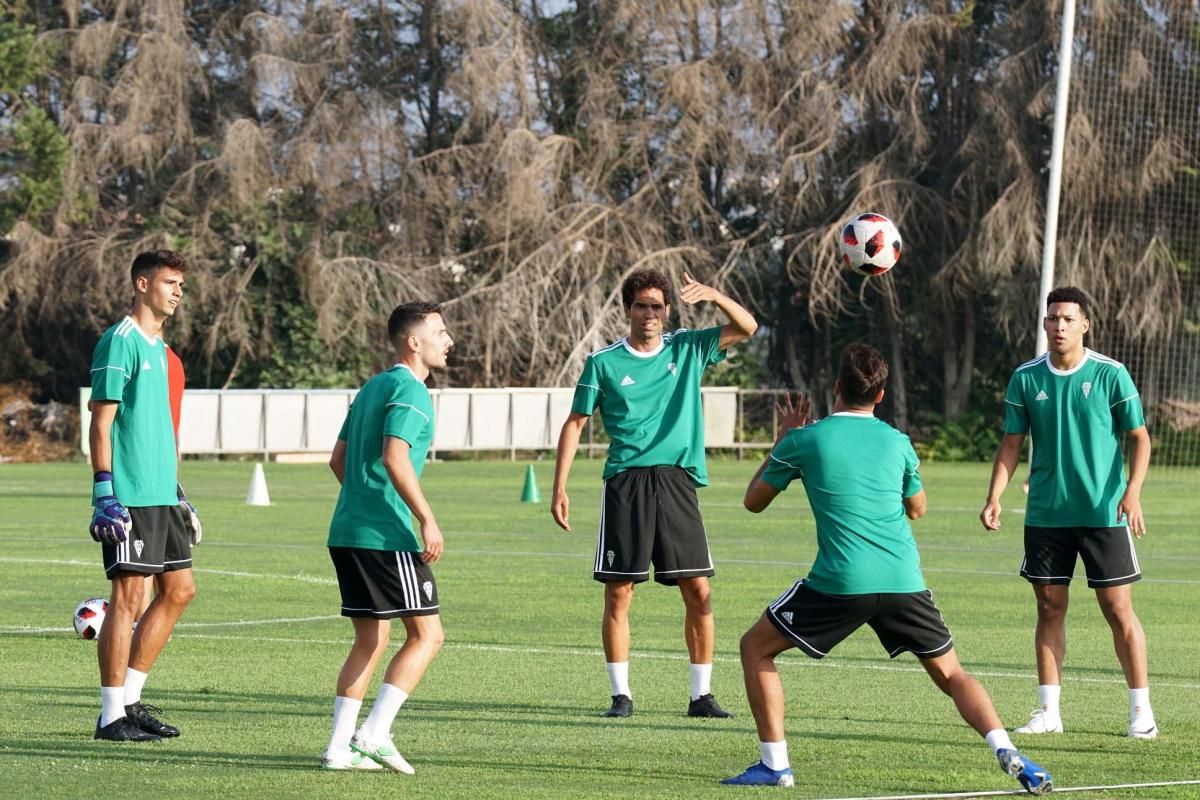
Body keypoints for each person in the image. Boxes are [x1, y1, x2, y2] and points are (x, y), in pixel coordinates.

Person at [722, 344, 1051, 795]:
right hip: (903, 580)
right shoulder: (898, 443)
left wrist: (784, 440)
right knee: (952, 674)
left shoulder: (805, 439)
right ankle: (1005, 747)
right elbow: (917, 509)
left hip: (841, 582)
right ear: (881, 395)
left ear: (836, 387)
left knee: (755, 648)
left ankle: (775, 765)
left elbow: (753, 502)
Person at [551, 269, 757, 718]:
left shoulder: (687, 348)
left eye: (657, 306)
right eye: (641, 305)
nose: (649, 313)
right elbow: (576, 422)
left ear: (667, 311)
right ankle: (620, 696)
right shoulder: (603, 363)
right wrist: (559, 486)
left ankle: (701, 696)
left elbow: (747, 328)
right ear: (628, 309)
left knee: (698, 591)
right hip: (626, 482)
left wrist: (716, 294)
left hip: (677, 481)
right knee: (619, 593)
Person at [981, 286, 1156, 739]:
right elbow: (1011, 444)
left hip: (1103, 514)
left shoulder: (1110, 374)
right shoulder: (1026, 378)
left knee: (1118, 609)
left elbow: (1140, 438)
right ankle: (1048, 713)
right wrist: (995, 495)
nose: (1059, 326)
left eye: (1068, 319)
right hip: (1045, 515)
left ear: (1085, 324)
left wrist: (1132, 492)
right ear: (1044, 324)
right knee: (1048, 607)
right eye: (1053, 318)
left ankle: (1141, 711)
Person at [320, 302, 453, 772]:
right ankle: (375, 734)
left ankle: (338, 750)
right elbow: (395, 457)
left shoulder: (372, 386)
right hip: (384, 536)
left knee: (370, 641)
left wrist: (363, 499)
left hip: (347, 530)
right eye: (440, 332)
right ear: (413, 342)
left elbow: (338, 459)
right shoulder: (410, 390)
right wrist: (426, 518)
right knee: (428, 635)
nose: (448, 340)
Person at [88, 249, 202, 742]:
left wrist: (178, 493)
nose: (177, 292)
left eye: (181, 284)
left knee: (179, 591)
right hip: (129, 494)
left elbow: (161, 430)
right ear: (141, 284)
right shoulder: (121, 342)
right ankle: (110, 715)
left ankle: (130, 702)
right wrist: (103, 492)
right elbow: (101, 422)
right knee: (128, 597)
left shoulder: (165, 353)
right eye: (169, 282)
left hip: (161, 495)